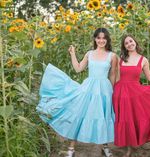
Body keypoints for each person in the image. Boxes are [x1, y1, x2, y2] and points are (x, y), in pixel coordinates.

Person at [36, 28, 117, 157]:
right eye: (98, 38)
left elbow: (112, 74)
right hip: (88, 88)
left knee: (103, 115)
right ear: (95, 39)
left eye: (104, 38)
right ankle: (71, 148)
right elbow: (78, 69)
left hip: (104, 90)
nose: (101, 40)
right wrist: (73, 54)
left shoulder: (112, 56)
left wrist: (112, 91)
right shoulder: (89, 54)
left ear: (107, 39)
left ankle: (105, 146)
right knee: (80, 114)